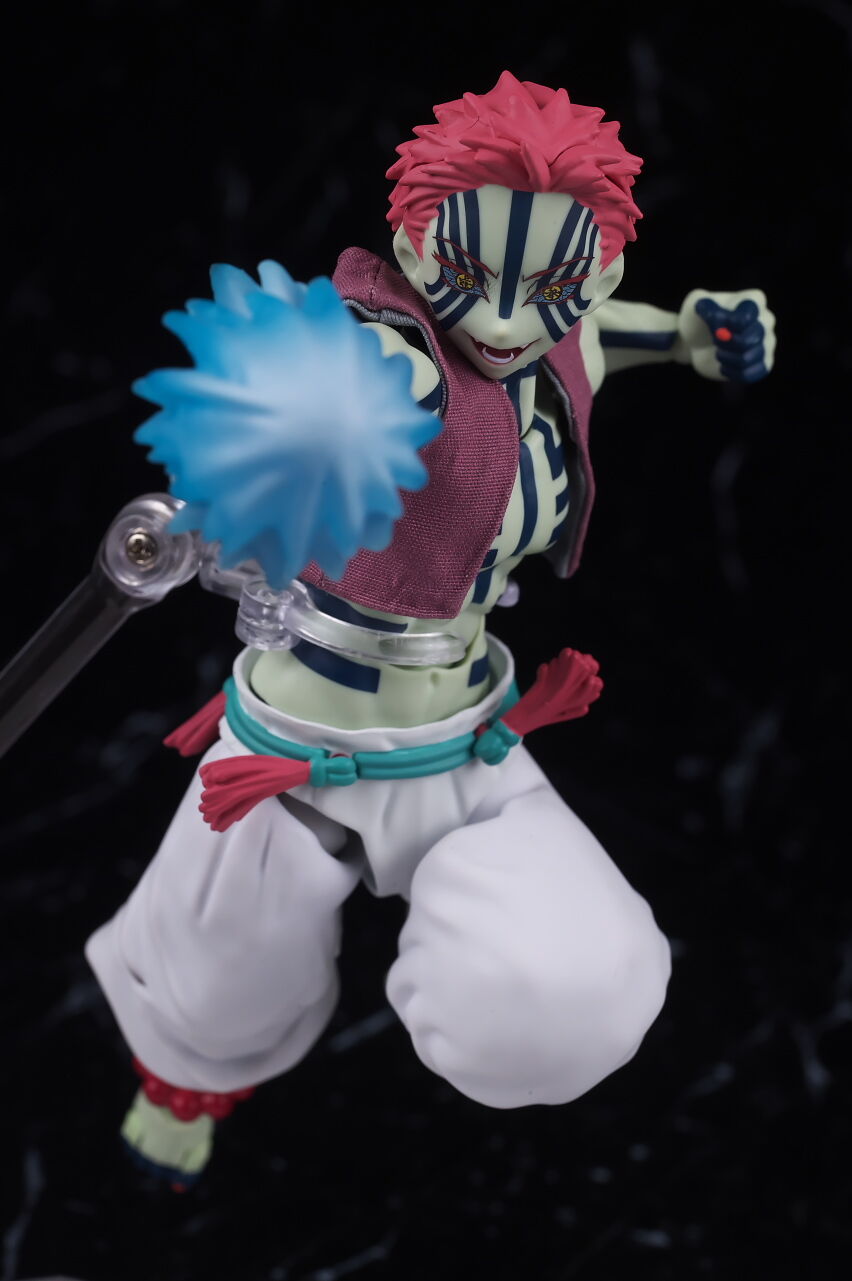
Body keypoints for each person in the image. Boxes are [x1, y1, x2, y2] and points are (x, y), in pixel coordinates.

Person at [86, 71, 775, 1186]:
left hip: (464, 738)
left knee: (574, 986)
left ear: (597, 270)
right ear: (411, 246)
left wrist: (698, 331)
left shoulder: (567, 342)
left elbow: (612, 330)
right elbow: (341, 377)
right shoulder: (398, 357)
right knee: (212, 974)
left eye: (548, 285)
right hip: (298, 748)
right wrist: (284, 426)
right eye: (463, 273)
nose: (499, 320)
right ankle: (181, 1091)